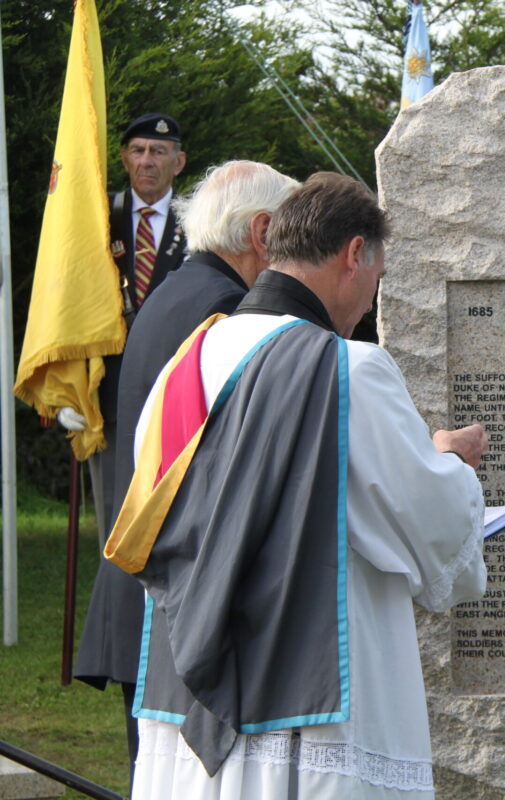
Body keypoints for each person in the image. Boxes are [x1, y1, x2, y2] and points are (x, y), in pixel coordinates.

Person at [104, 172, 488, 799]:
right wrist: (447, 461)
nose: (368, 304)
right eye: (376, 281)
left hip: (190, 690)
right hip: (311, 705)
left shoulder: (187, 361)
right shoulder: (349, 370)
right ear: (353, 254)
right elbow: (431, 526)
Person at [73, 161, 300, 784]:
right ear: (261, 233)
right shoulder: (227, 309)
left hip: (148, 584)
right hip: (173, 598)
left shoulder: (178, 289)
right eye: (293, 232)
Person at [58, 113, 189, 539]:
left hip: (177, 396)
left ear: (179, 162)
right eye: (138, 150)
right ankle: (114, 608)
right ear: (124, 157)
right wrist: (68, 387)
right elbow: (68, 303)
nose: (147, 160)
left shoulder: (198, 222)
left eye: (159, 151)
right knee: (114, 522)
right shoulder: (96, 220)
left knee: (174, 520)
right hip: (109, 394)